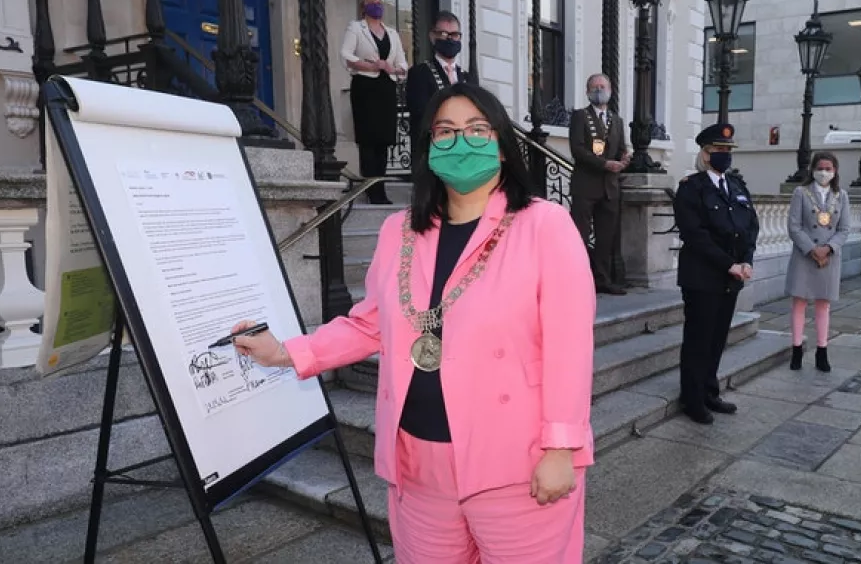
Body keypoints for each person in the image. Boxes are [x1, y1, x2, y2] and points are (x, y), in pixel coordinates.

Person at [230, 83, 596, 562]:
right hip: (419, 461)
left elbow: (570, 345)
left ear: (503, 146)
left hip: (516, 462)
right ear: (428, 148)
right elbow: (369, 324)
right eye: (445, 132)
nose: (460, 143)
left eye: (476, 130)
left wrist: (561, 449)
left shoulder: (544, 225)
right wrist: (287, 352)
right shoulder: (399, 230)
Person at [673, 123, 759, 425]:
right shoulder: (691, 188)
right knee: (699, 339)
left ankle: (710, 391)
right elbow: (695, 235)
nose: (725, 155)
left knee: (718, 337)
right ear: (706, 154)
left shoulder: (736, 186)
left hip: (730, 277)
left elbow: (751, 226)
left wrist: (746, 259)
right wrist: (728, 264)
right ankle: (692, 398)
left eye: (728, 150)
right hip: (702, 276)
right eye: (719, 150)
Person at [340, 0, 408, 205]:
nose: (377, 5)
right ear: (364, 7)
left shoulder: (393, 34)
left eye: (379, 2)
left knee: (383, 140)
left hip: (385, 89)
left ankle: (381, 187)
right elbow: (346, 55)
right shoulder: (356, 28)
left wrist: (389, 67)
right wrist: (370, 65)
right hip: (365, 87)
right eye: (372, 2)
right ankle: (371, 188)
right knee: (368, 140)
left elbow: (403, 65)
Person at [785, 151, 851, 373]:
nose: (824, 172)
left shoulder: (841, 195)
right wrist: (812, 249)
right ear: (813, 169)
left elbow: (844, 229)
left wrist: (829, 248)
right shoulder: (801, 193)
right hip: (805, 254)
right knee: (799, 302)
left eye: (828, 168)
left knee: (824, 305)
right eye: (820, 168)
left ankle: (822, 351)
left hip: (829, 256)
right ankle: (796, 350)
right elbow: (794, 226)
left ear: (835, 171)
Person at [568, 73, 630, 295]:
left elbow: (621, 147)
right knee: (580, 236)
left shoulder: (617, 120)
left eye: (602, 86)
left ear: (610, 90)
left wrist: (624, 159)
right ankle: (577, 280)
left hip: (610, 188)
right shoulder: (580, 117)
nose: (598, 90)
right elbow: (578, 150)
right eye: (594, 87)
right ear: (587, 92)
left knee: (606, 238)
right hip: (586, 186)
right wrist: (604, 164)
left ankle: (602, 280)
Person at [405, 10, 469, 143]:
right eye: (444, 34)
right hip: (432, 148)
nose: (450, 39)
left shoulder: (467, 77)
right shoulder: (419, 73)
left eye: (455, 34)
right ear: (433, 37)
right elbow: (420, 113)